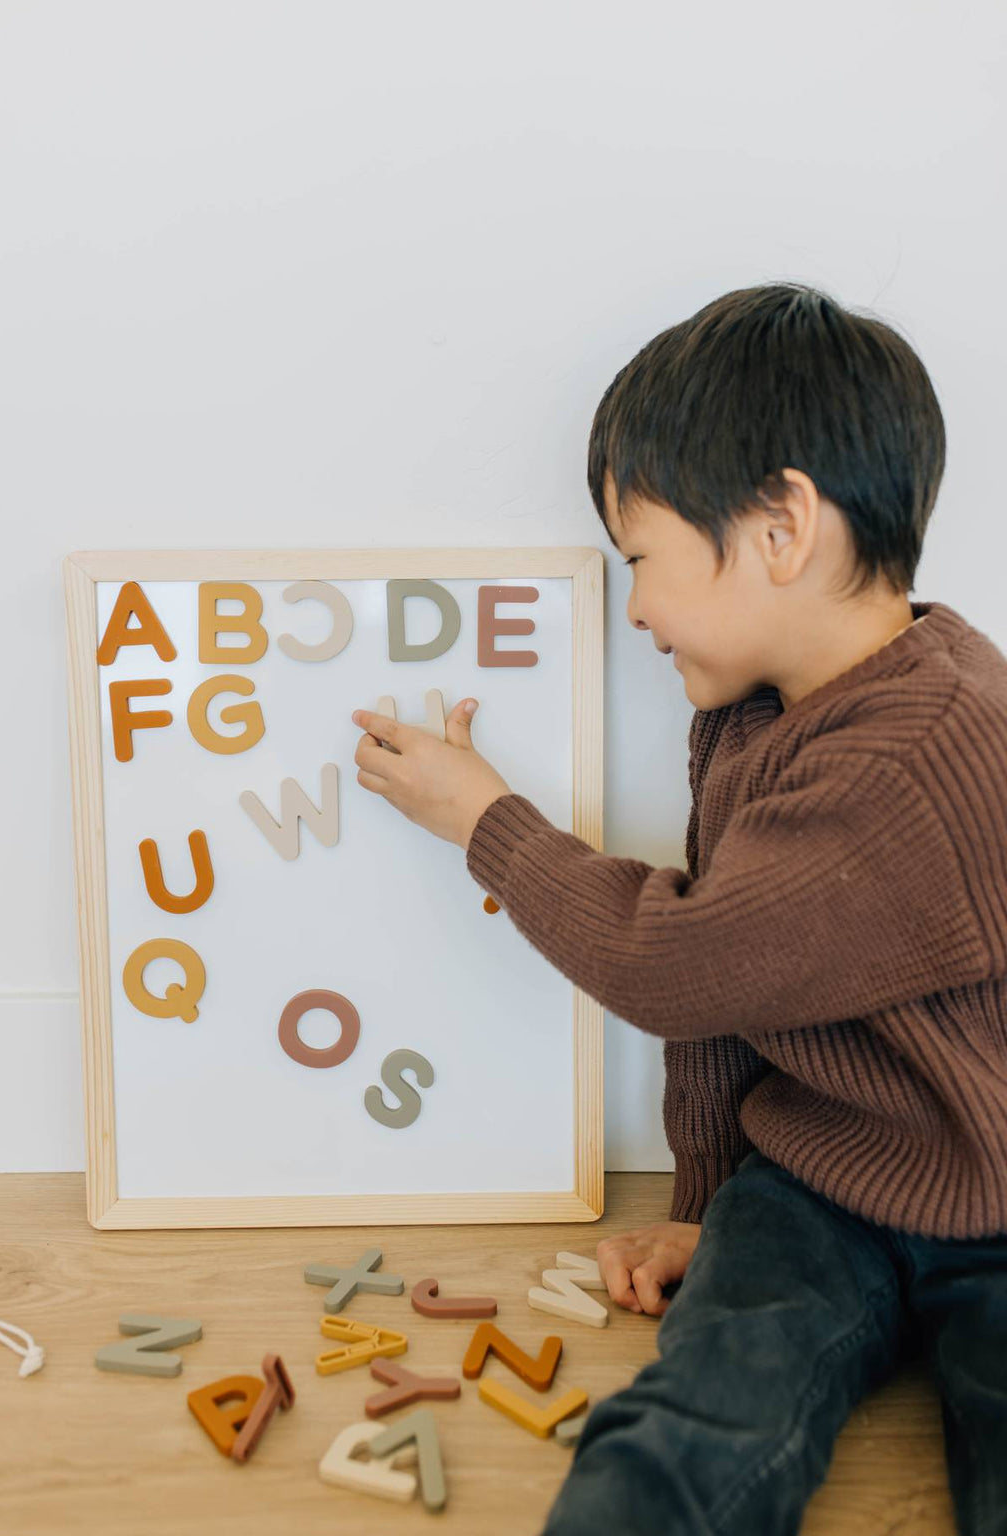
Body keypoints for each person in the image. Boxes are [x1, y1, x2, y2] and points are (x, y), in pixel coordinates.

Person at [350, 281, 1007, 1535]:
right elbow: (725, 1002)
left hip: (995, 1191)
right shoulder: (749, 718)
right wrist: (705, 1208)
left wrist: (486, 823)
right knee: (688, 1426)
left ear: (781, 527)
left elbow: (679, 963)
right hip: (824, 1188)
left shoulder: (924, 750)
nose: (636, 607)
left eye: (641, 558)